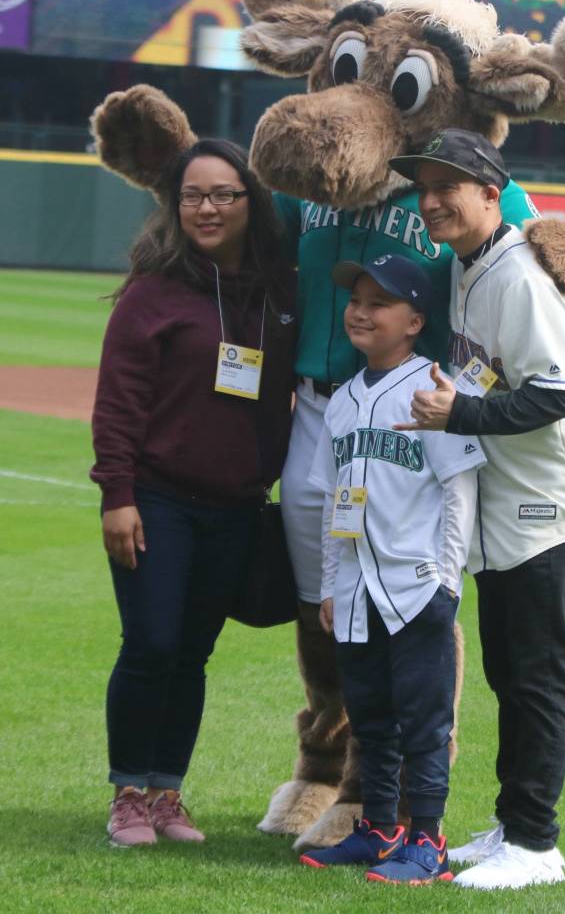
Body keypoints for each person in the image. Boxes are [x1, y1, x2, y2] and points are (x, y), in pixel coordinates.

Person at [388, 129, 565, 890]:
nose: (429, 199)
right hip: (509, 508)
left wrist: (458, 417)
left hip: (547, 508)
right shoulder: (469, 265)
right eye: (421, 186)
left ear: (491, 192)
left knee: (535, 677)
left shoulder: (516, 276)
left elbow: (554, 393)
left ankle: (536, 844)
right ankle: (513, 824)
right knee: (508, 673)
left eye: (447, 184)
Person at [90, 138, 295, 846]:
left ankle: (167, 792)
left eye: (222, 194)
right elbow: (117, 405)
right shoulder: (153, 293)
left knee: (192, 654)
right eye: (192, 195)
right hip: (157, 499)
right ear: (176, 206)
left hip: (235, 506)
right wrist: (117, 495)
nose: (207, 208)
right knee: (150, 642)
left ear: (250, 202)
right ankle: (127, 793)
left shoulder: (278, 291)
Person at [298, 255, 485, 884]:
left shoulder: (433, 390)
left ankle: (427, 843)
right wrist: (328, 585)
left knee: (425, 724)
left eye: (380, 302)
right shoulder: (345, 400)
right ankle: (378, 830)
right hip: (354, 591)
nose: (361, 310)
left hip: (416, 585)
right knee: (372, 720)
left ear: (415, 320)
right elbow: (331, 500)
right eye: (356, 298)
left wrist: (447, 578)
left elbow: (459, 490)